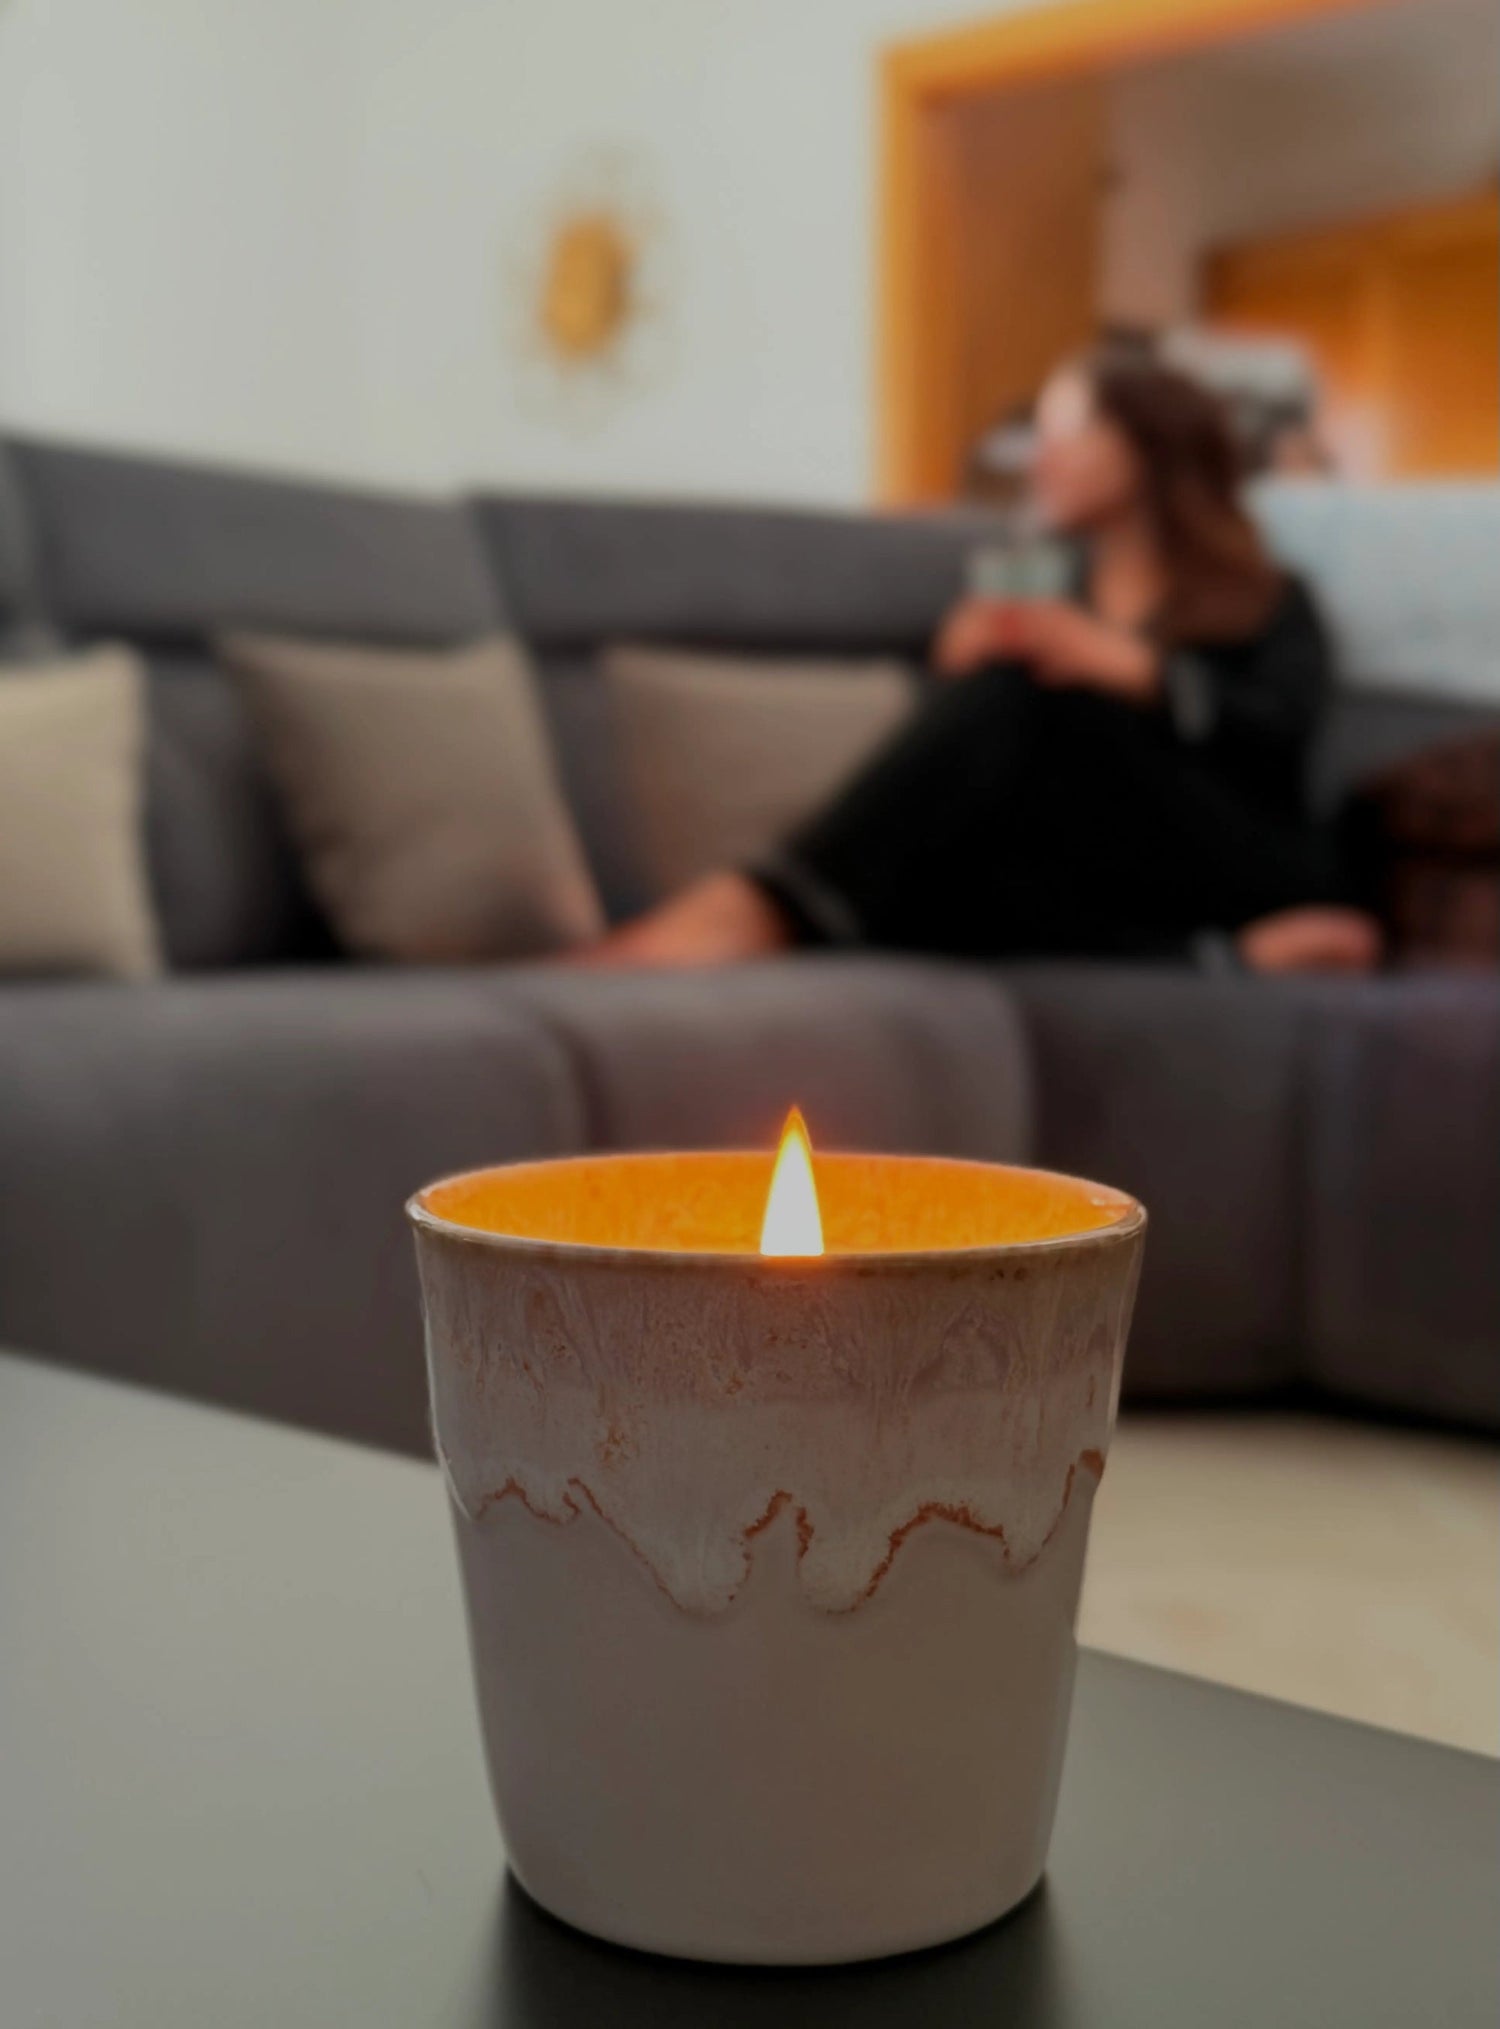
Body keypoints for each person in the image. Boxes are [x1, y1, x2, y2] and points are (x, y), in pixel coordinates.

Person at [587, 349, 1380, 975]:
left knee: (1022, 691)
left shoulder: (1263, 596)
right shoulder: (1057, 588)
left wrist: (1127, 667)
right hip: (1098, 875)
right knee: (956, 861)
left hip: (1241, 854)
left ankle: (759, 909)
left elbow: (1280, 737)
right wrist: (956, 674)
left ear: (1140, 446)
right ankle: (1219, 959)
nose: (1038, 461)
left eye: (1064, 433)